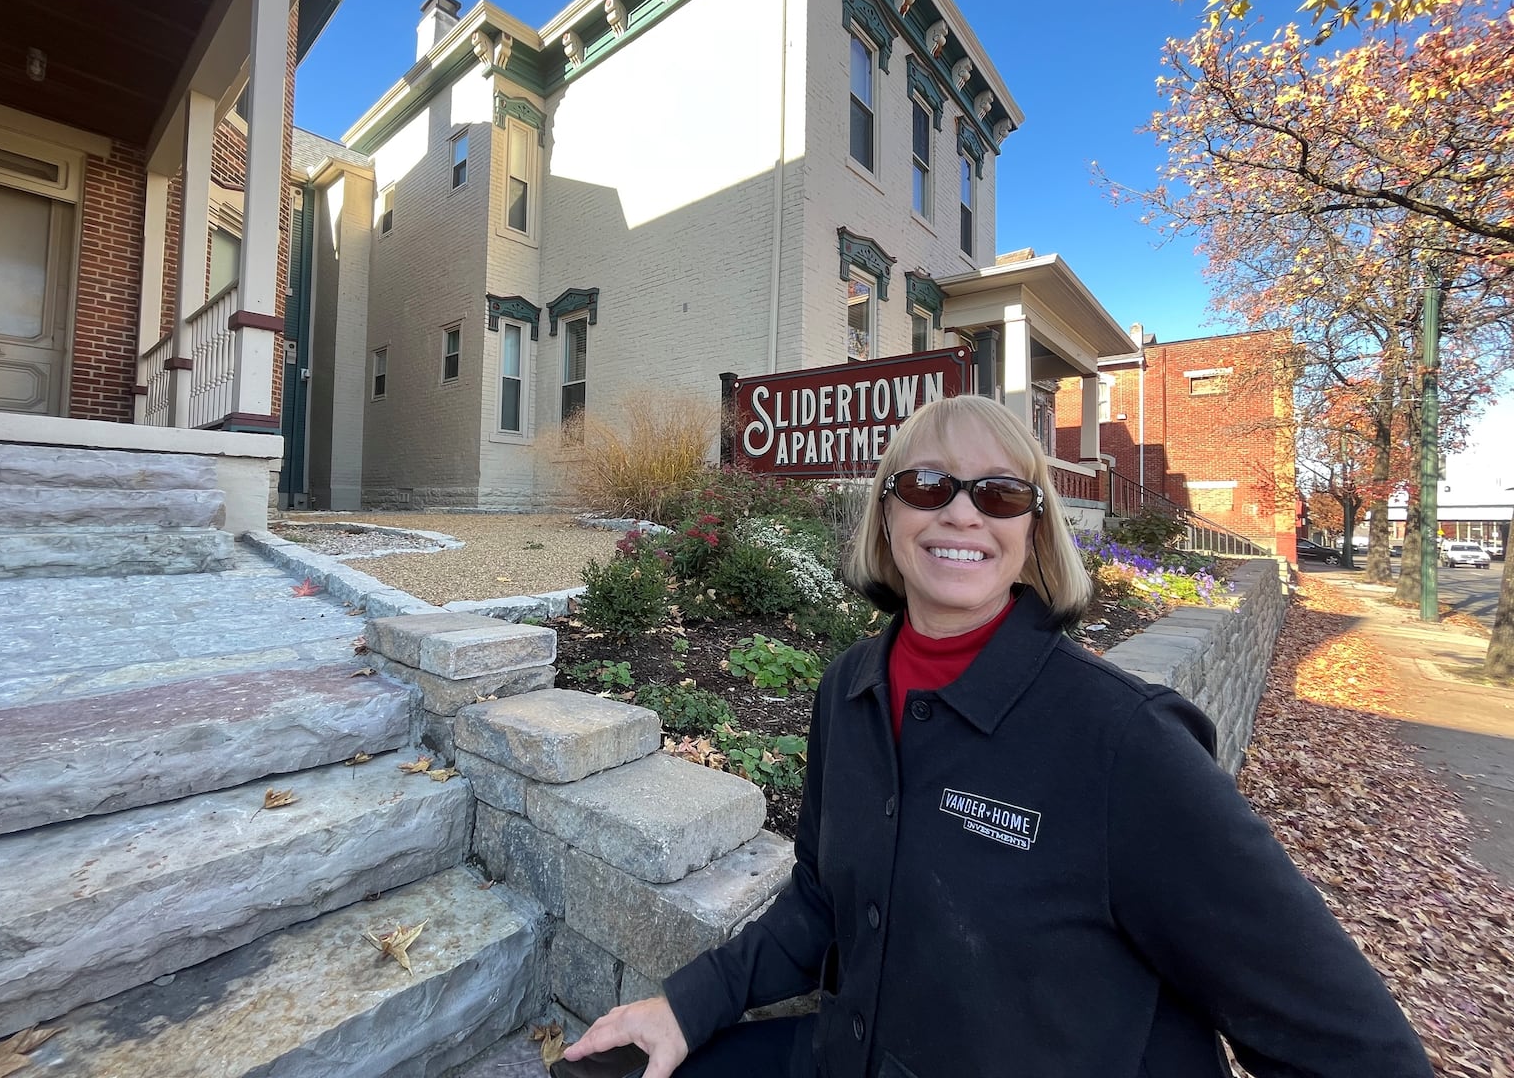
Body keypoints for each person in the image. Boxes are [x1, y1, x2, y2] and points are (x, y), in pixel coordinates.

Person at [564, 394, 1431, 1078]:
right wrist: (686, 1005)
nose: (963, 514)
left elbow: (1352, 1048)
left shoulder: (1125, 744)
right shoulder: (848, 690)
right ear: (887, 515)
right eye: (928, 485)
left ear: (1033, 530)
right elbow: (823, 902)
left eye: (1001, 492)